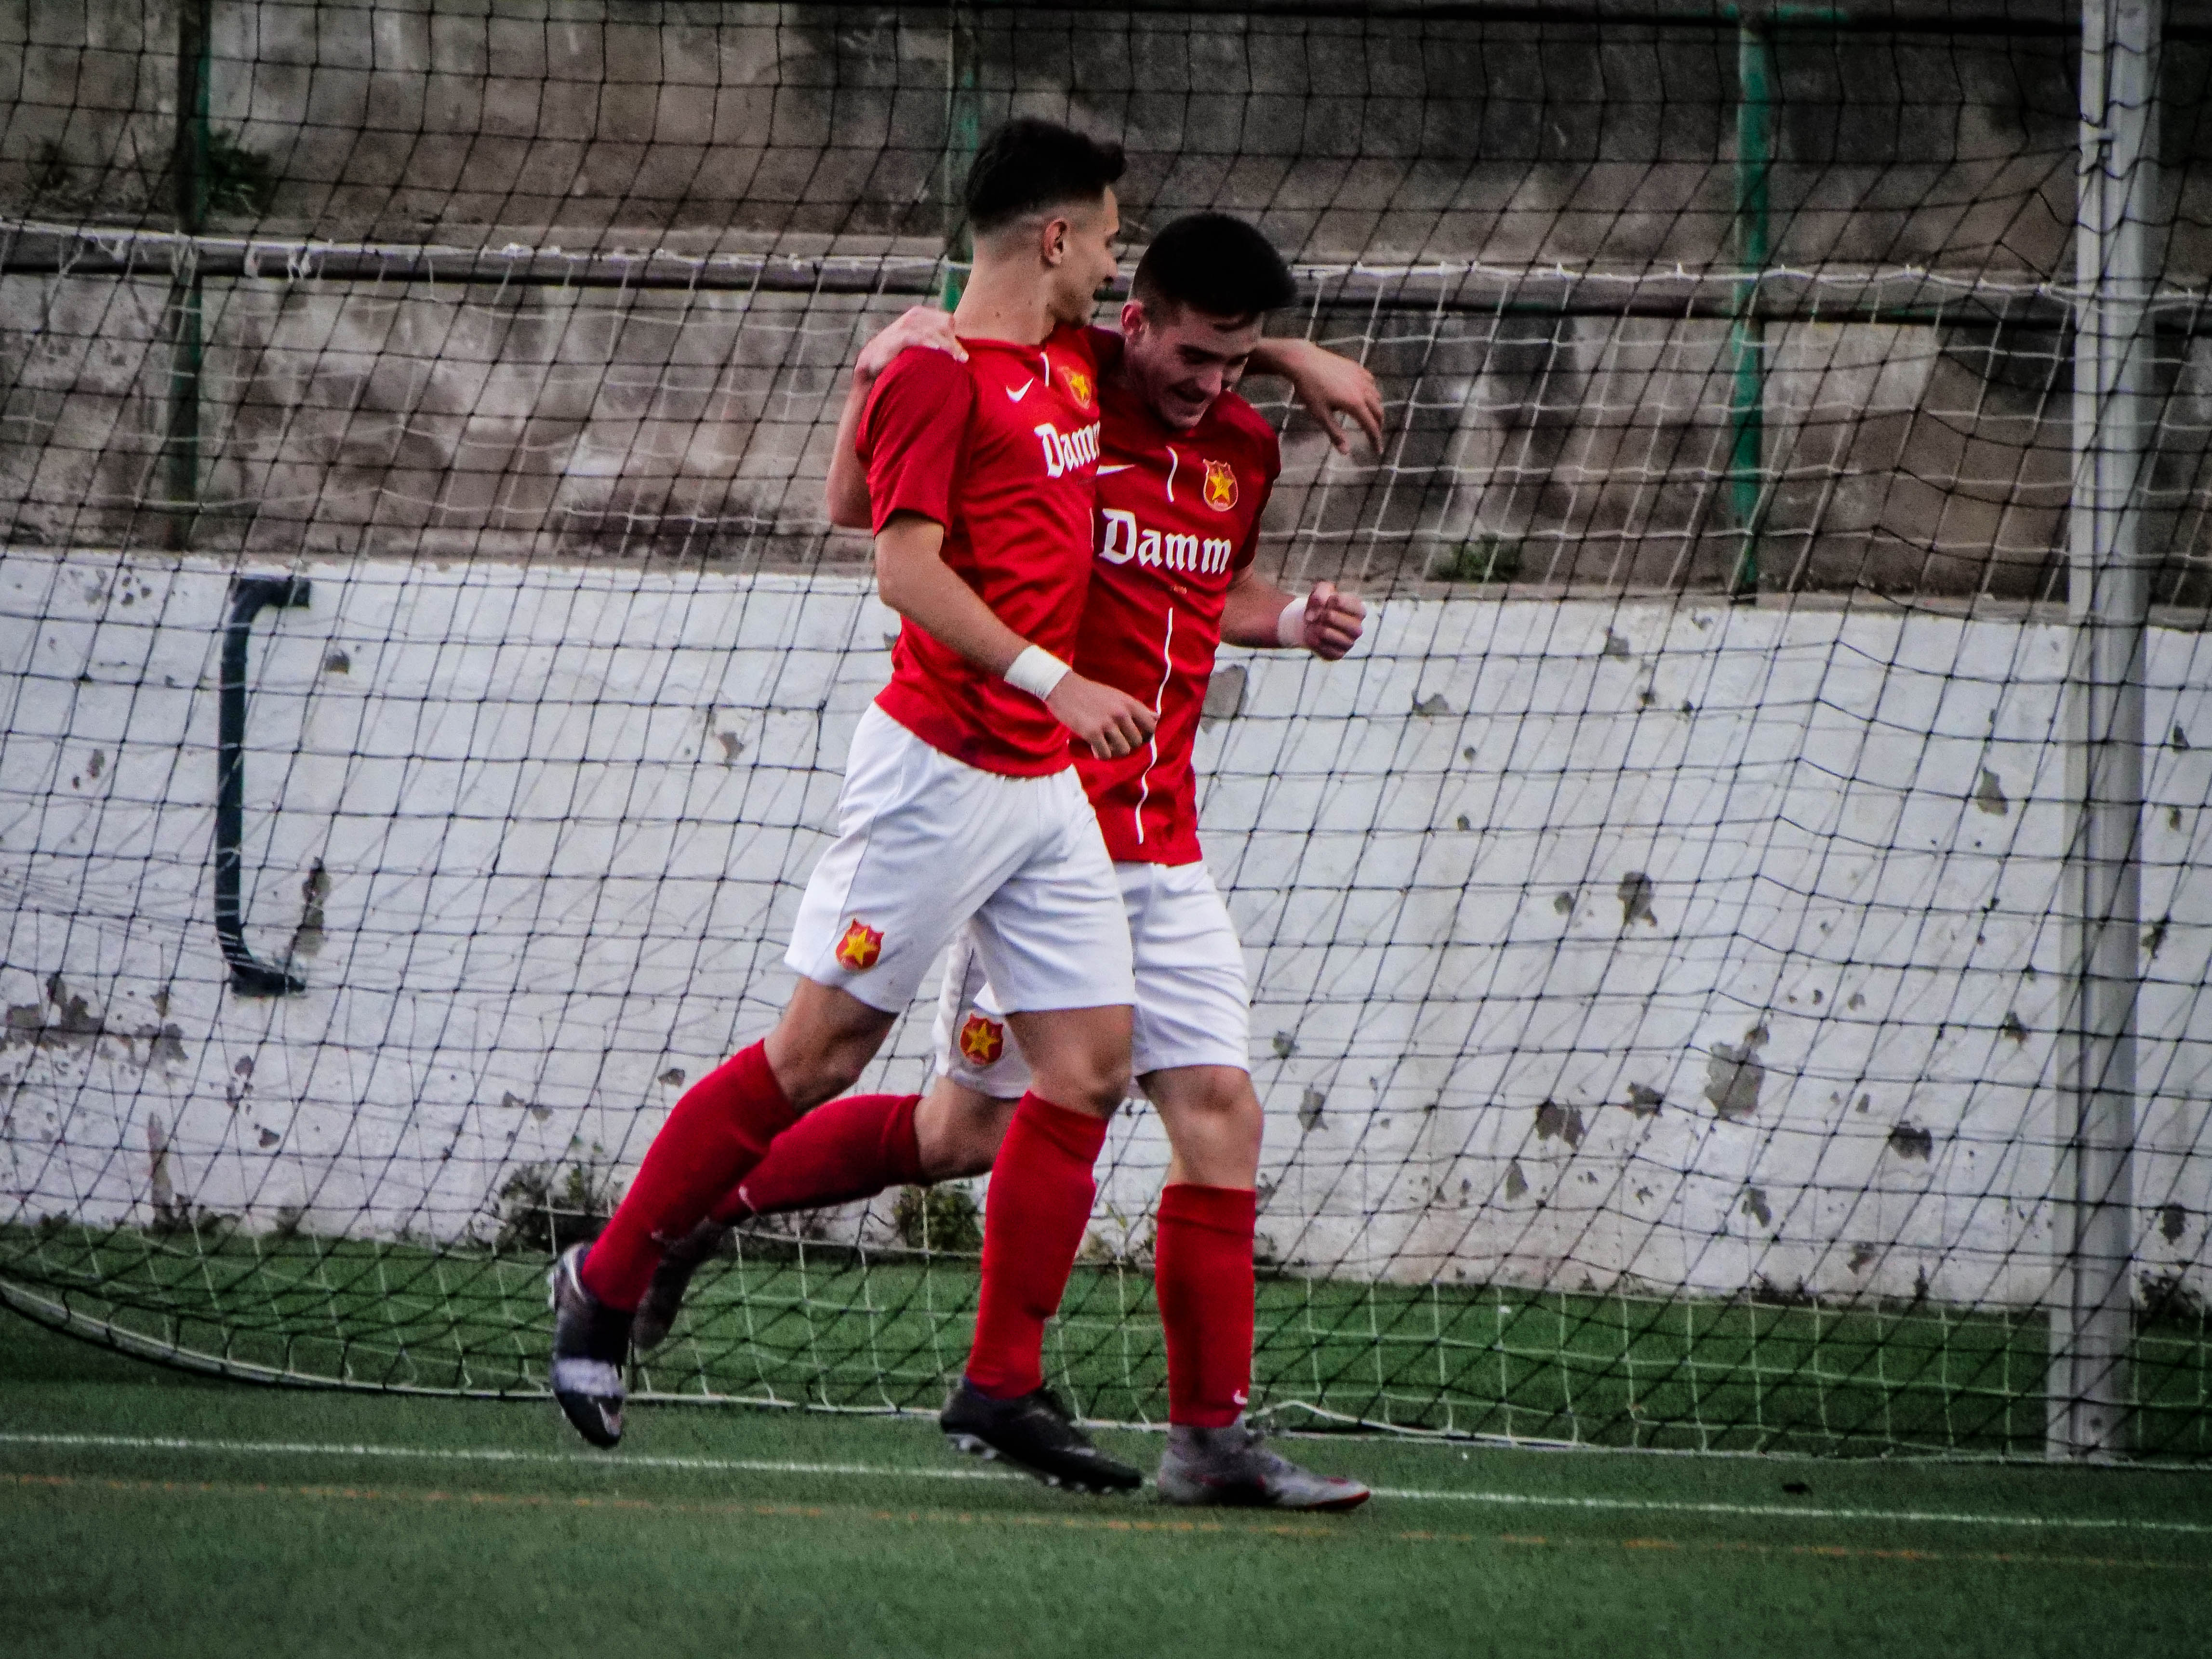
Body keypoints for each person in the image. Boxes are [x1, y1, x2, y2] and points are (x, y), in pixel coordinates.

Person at [633, 213, 1377, 1510]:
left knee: (1219, 1110)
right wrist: (892, 347)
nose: (1212, 384)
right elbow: (996, 344)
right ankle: (706, 1212)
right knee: (959, 1129)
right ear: (1129, 320)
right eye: (1194, 355)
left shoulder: (1246, 448)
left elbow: (1221, 590)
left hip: (1167, 836)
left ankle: (1209, 1438)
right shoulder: (1067, 393)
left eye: (1234, 361)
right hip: (1040, 827)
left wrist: (1292, 611)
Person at [551, 117, 1156, 1498]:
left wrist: (1294, 354)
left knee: (1083, 1072)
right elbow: (892, 561)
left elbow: (1183, 360)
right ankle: (605, 1280)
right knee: (815, 1056)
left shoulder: (1066, 360)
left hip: (1037, 791)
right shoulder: (941, 376)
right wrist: (1059, 679)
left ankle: (999, 1387)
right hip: (940, 772)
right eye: (1109, 237)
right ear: (1053, 237)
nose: (1116, 266)